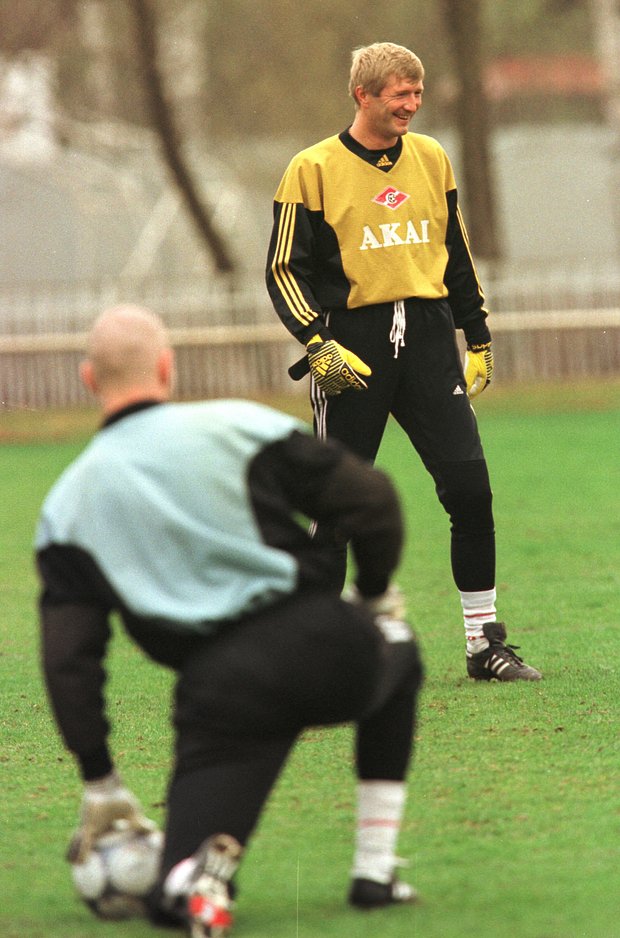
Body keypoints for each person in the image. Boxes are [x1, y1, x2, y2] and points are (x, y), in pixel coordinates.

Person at [35, 304, 424, 938]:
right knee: (398, 652)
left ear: (88, 380)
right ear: (167, 367)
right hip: (325, 644)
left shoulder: (67, 506)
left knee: (173, 890)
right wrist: (375, 597)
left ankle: (198, 879)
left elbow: (68, 658)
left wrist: (98, 776)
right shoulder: (236, 425)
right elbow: (373, 500)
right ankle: (374, 872)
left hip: (221, 691)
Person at [266, 41, 541, 682]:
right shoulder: (310, 169)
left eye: (416, 94)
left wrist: (478, 338)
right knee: (338, 506)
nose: (410, 106)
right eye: (399, 95)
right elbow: (283, 270)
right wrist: (315, 340)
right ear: (362, 95)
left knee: (471, 491)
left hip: (427, 339)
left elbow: (458, 254)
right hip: (349, 350)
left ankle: (484, 644)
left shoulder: (431, 158)